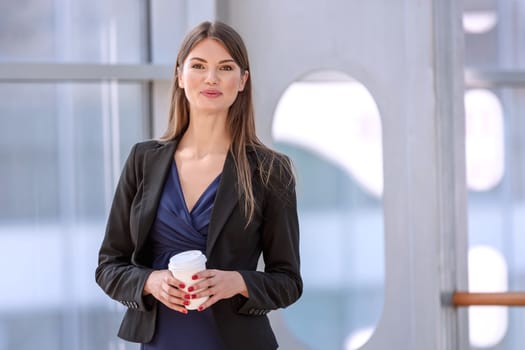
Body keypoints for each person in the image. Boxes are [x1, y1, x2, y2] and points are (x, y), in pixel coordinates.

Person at [95, 20, 302, 350]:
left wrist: (237, 282)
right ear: (179, 75)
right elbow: (109, 266)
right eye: (199, 66)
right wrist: (150, 281)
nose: (211, 78)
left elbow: (288, 282)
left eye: (225, 67)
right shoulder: (143, 161)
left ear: (242, 81)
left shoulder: (270, 171)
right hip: (163, 340)